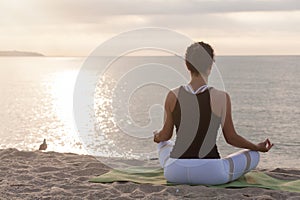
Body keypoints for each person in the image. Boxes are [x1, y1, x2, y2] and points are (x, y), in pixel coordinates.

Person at [153, 42, 273, 185]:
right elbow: (231, 138)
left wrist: (157, 136)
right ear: (210, 66)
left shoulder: (172, 95)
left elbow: (166, 135)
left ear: (187, 65)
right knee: (253, 155)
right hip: (210, 171)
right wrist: (256, 147)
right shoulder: (221, 97)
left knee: (163, 143)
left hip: (175, 172)